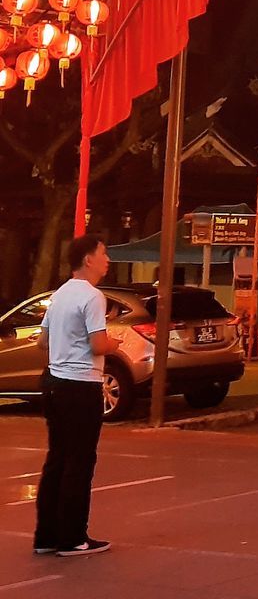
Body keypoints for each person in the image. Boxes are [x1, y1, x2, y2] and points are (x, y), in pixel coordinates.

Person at [35, 234, 117, 557]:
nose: (107, 259)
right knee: (79, 462)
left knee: (57, 458)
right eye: (103, 253)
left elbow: (43, 341)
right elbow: (98, 345)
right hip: (81, 384)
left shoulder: (59, 295)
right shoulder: (93, 297)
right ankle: (72, 538)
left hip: (55, 383)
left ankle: (46, 536)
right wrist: (114, 344)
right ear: (88, 259)